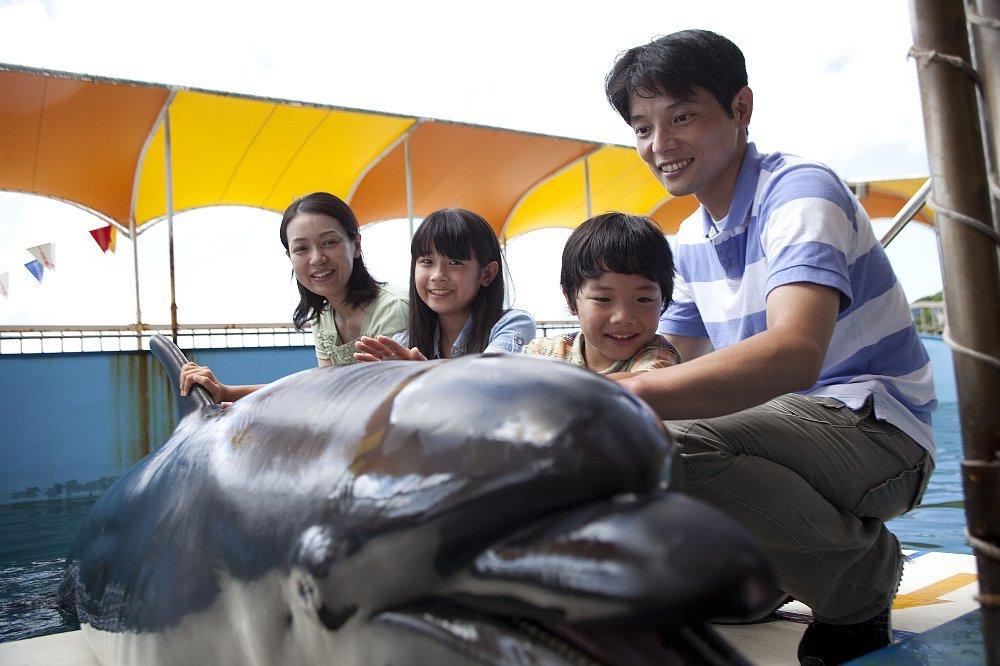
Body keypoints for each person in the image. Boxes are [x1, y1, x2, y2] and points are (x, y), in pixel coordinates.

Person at [604, 30, 935, 664]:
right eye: (643, 127)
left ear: (741, 109)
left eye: (682, 117)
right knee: (615, 431)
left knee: (659, 437)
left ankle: (858, 580)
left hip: (878, 433)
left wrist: (633, 392)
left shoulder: (800, 192)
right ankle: (765, 573)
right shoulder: (693, 237)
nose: (660, 144)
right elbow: (659, 356)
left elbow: (793, 353)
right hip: (789, 433)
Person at [179, 192, 408, 402]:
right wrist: (226, 392)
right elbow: (324, 390)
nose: (317, 258)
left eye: (329, 242)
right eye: (301, 249)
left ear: (356, 245)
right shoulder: (324, 314)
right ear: (290, 256)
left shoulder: (393, 308)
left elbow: (379, 404)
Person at [353, 208, 535, 362]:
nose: (438, 275)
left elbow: (490, 382)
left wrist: (426, 376)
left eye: (455, 262)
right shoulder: (402, 343)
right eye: (426, 261)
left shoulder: (513, 325)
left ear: (487, 274)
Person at [522, 211, 680, 375]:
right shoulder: (545, 352)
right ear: (570, 299)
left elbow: (641, 385)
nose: (623, 317)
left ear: (662, 299)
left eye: (643, 299)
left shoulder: (661, 358)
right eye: (603, 299)